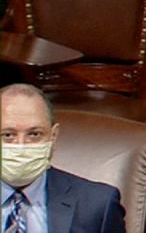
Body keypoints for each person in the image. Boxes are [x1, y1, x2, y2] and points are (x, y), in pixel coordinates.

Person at [1, 84, 126, 233]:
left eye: (34, 134)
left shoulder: (98, 205)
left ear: (53, 136)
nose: (21, 146)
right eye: (8, 135)